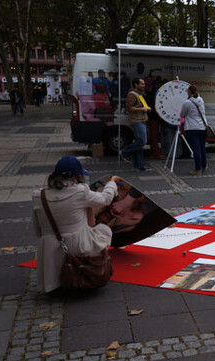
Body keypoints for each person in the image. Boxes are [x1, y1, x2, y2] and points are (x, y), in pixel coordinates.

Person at [32, 156, 121, 293]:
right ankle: (88, 268)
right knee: (104, 230)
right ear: (76, 177)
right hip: (77, 244)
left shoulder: (39, 196)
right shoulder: (80, 192)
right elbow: (106, 199)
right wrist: (112, 182)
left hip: (48, 245)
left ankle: (54, 281)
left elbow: (38, 228)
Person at [121, 78, 151, 171]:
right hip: (137, 121)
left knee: (139, 143)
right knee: (142, 141)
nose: (143, 86)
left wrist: (146, 108)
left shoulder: (139, 95)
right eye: (142, 84)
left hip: (142, 120)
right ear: (135, 84)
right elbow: (129, 108)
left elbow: (142, 106)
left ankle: (139, 165)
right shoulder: (132, 95)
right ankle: (124, 152)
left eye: (144, 84)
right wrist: (142, 109)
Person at [179, 85, 208, 175]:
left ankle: (197, 168)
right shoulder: (201, 100)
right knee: (202, 147)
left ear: (189, 92)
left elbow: (182, 115)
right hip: (202, 127)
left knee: (196, 149)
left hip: (192, 128)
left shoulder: (187, 103)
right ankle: (204, 166)